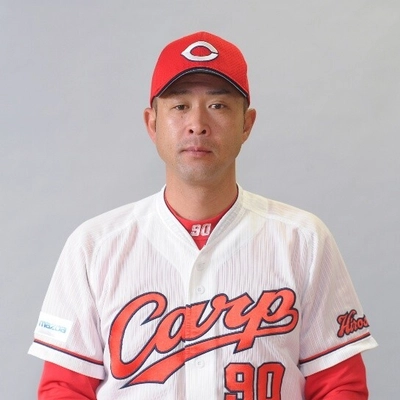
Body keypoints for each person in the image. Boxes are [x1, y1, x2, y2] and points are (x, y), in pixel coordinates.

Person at [29, 31, 377, 400]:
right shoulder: (94, 246)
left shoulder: (303, 240)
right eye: (180, 106)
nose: (197, 123)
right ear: (152, 123)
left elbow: (340, 387)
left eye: (218, 105)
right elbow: (63, 389)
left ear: (246, 124)